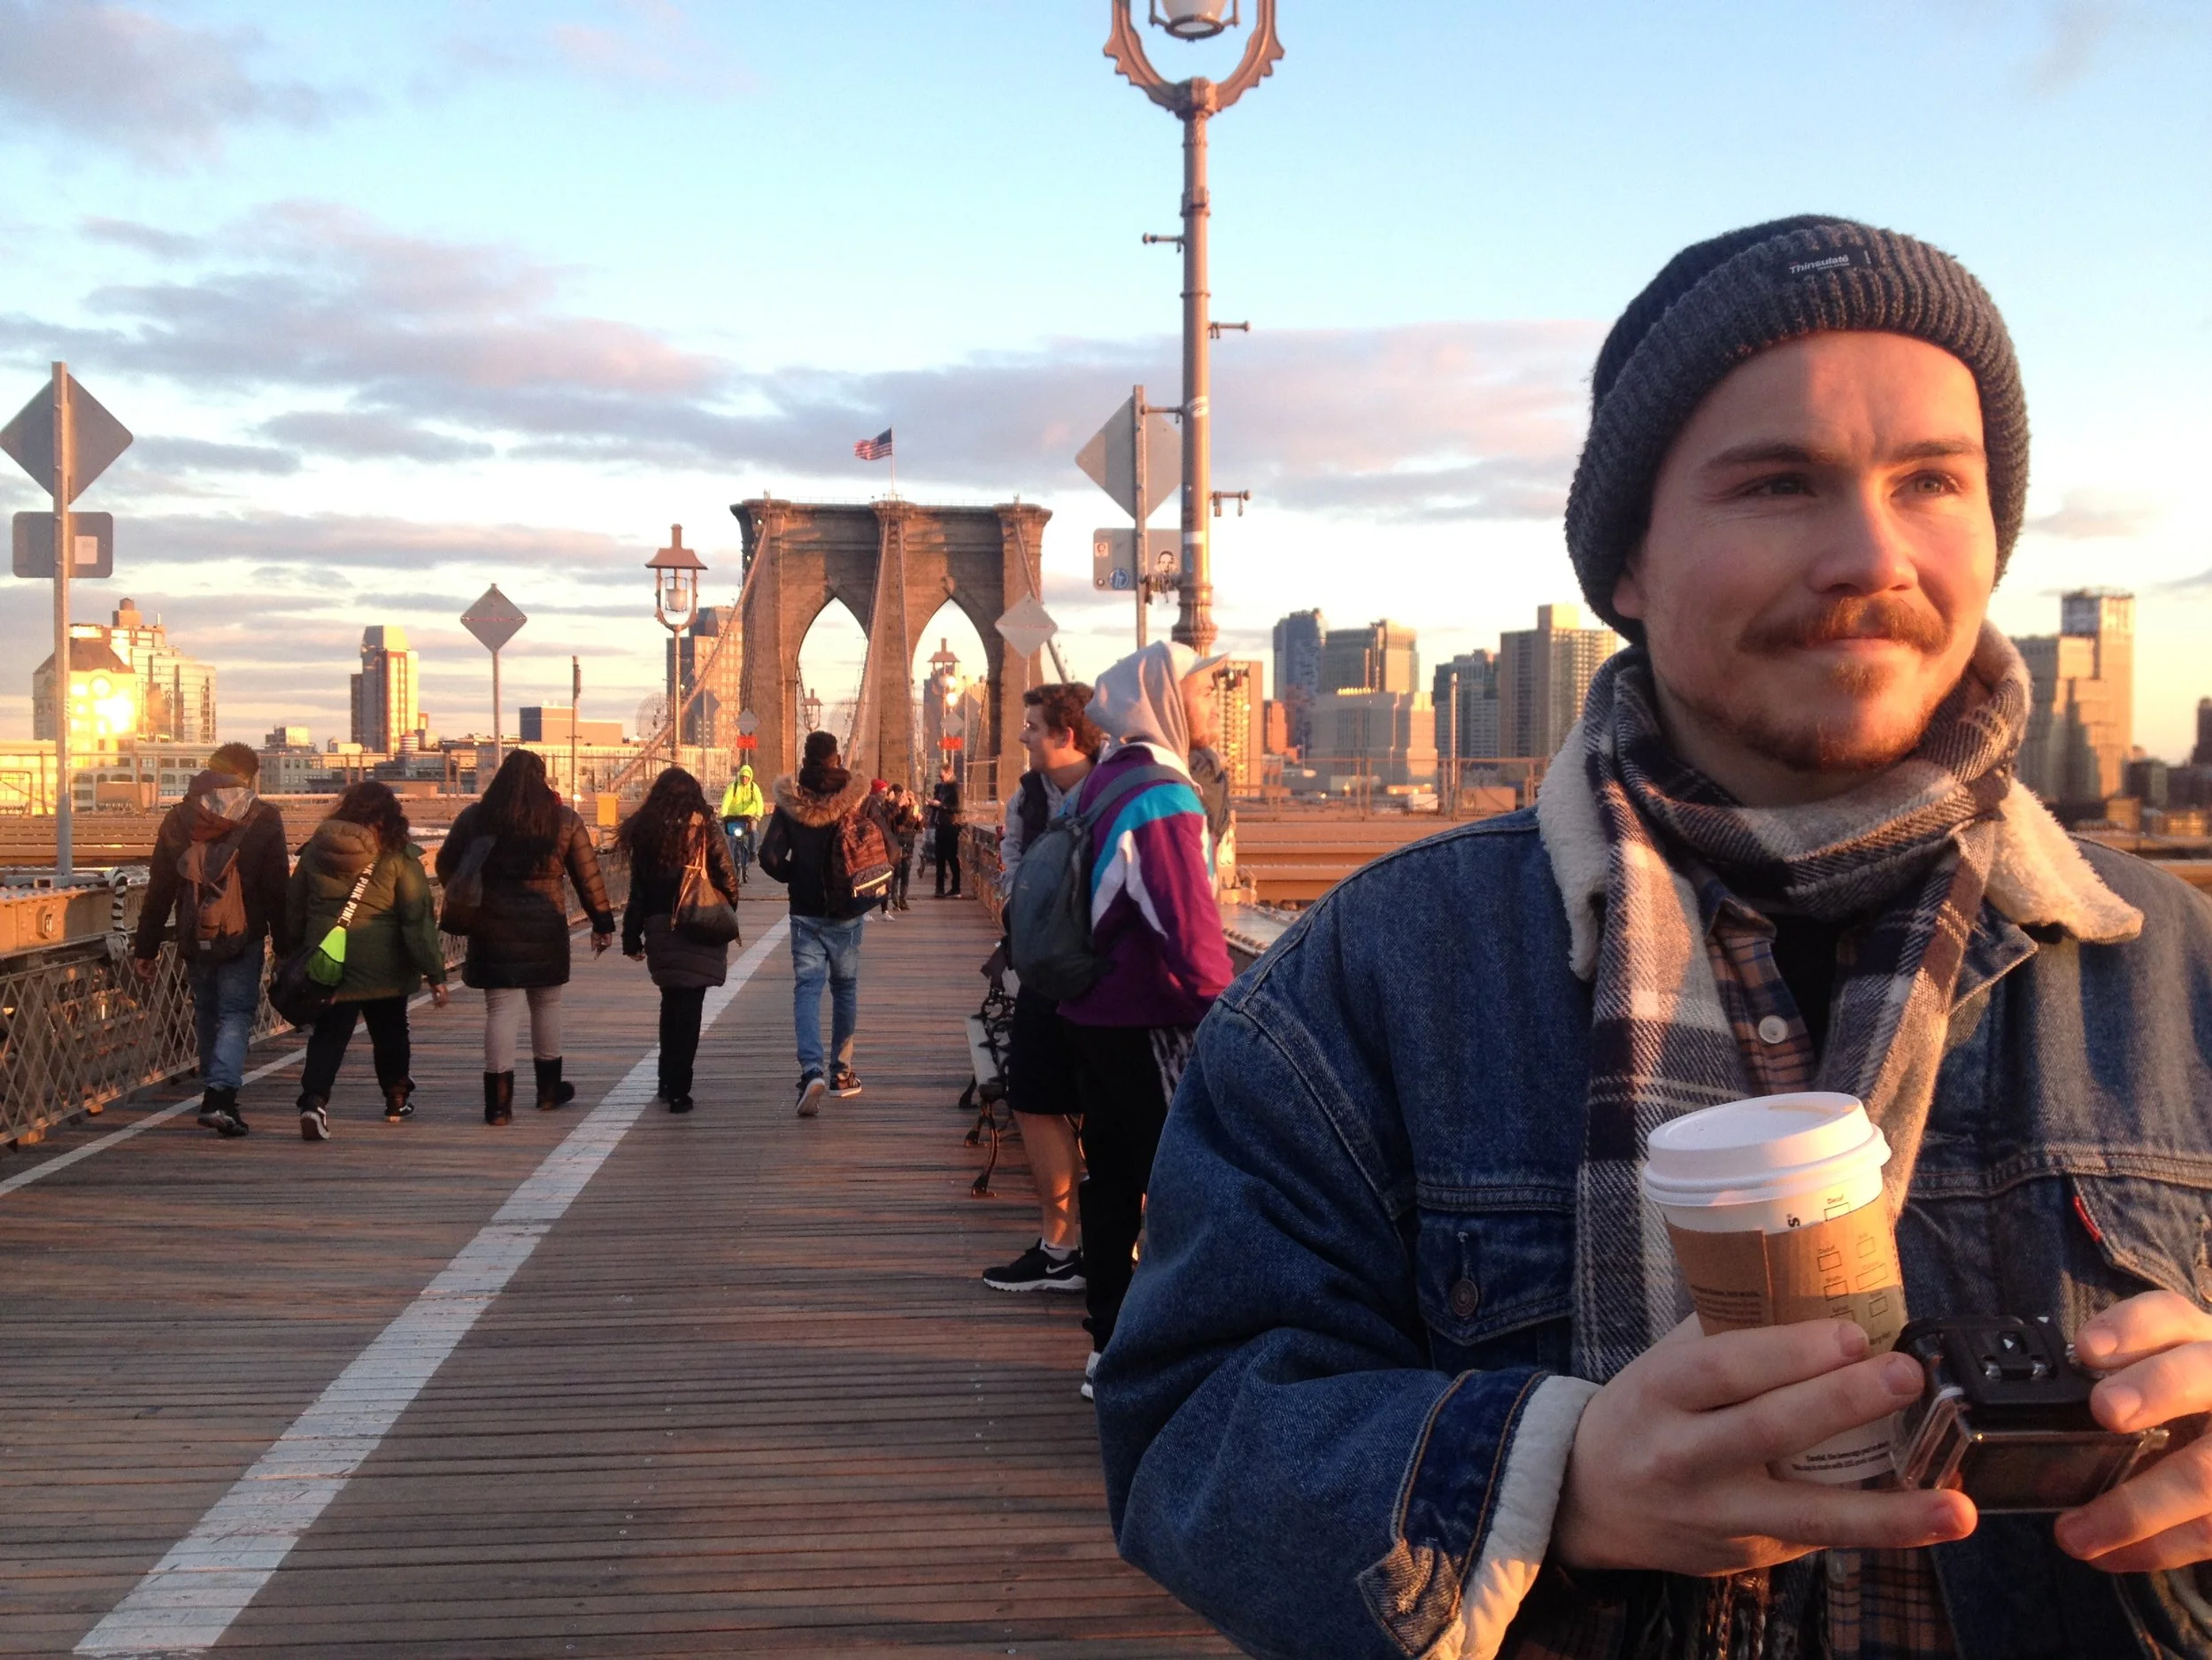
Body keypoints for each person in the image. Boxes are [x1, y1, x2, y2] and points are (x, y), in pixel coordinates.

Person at [1097, 217, 2212, 1659]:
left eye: (1930, 479)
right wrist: (1544, 1482)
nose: (1867, 553)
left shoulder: (2172, 968)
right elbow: (1185, 1435)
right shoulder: (1374, 979)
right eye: (1773, 483)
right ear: (1621, 562)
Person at [1060, 644, 1235, 1397]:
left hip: (1091, 1010)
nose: (1210, 706)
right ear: (1164, 697)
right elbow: (1188, 928)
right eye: (1200, 693)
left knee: (1111, 1176)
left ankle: (1109, 1341)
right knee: (1184, 1178)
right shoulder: (1164, 792)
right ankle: (1166, 1349)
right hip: (1151, 1017)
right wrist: (1227, 1017)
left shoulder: (1103, 778)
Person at [983, 682, 1103, 1296]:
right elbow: (1008, 859)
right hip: (1039, 975)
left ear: (1064, 733)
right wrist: (1015, 909)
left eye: (1032, 725)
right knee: (1031, 1097)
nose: (1023, 734)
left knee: (1110, 1113)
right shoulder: (1025, 796)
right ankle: (1058, 1248)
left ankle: (1113, 1250)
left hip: (1103, 977)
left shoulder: (1114, 791)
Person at [437, 749, 615, 1126]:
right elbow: (588, 875)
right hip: (544, 923)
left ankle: (498, 1105)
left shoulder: (477, 818)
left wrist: (475, 888)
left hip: (491, 924)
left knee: (501, 1010)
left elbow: (446, 864)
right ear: (542, 778)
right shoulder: (562, 819)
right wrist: (602, 923)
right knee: (547, 1004)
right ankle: (549, 1091)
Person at [131, 743, 291, 1139]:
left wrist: (146, 947)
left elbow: (161, 888)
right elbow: (277, 889)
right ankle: (221, 1095)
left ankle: (213, 1089)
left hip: (192, 930)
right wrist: (287, 947)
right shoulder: (264, 816)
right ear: (250, 776)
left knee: (206, 1008)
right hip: (243, 932)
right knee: (237, 1012)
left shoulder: (179, 817)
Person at [286, 780, 449, 1139]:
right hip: (385, 966)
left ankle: (313, 1101)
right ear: (391, 815)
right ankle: (396, 1096)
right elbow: (416, 919)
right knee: (390, 1030)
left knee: (329, 1034)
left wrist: (293, 956)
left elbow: (294, 908)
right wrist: (434, 972)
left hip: (329, 962)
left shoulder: (315, 852)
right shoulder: (398, 855)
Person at [758, 730, 873, 1116]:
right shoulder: (856, 797)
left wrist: (799, 877)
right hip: (848, 910)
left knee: (807, 989)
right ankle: (842, 1073)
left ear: (805, 759)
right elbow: (885, 849)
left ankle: (811, 1071)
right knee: (845, 988)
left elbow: (770, 856)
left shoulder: (791, 800)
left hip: (805, 911)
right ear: (837, 758)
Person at [620, 767, 742, 1115]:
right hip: (697, 923)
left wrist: (631, 936)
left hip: (659, 927)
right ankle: (679, 1090)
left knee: (671, 1001)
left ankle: (665, 1078)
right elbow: (728, 878)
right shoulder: (704, 827)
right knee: (690, 1009)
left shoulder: (646, 831)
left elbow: (637, 892)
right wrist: (722, 912)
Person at [719, 762, 765, 881]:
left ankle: (753, 851)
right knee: (733, 839)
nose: (744, 779)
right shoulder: (733, 787)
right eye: (743, 776)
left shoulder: (753, 787)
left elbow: (759, 801)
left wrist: (758, 815)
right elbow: (726, 800)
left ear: (750, 777)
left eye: (747, 777)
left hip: (749, 818)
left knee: (753, 832)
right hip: (735, 817)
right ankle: (732, 860)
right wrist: (723, 814)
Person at [883, 784, 923, 913]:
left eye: (908, 797)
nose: (906, 800)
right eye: (904, 797)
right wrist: (906, 807)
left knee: (905, 875)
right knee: (897, 874)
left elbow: (917, 828)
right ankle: (895, 901)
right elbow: (901, 820)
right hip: (898, 845)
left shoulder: (911, 811)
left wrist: (920, 819)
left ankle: (903, 900)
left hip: (908, 845)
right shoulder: (896, 810)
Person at [931, 764, 964, 898]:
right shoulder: (942, 788)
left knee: (951, 857)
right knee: (939, 858)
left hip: (951, 826)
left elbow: (958, 807)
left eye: (942, 775)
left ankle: (956, 888)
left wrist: (941, 806)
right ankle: (939, 889)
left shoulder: (956, 787)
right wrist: (933, 804)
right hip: (941, 826)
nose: (940, 778)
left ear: (949, 773)